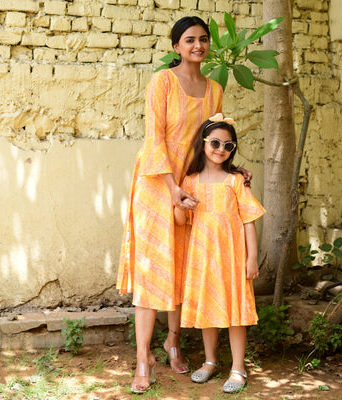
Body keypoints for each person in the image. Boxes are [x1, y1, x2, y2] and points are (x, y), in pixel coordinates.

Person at [116, 16, 225, 393]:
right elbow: (155, 138)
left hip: (190, 186)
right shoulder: (162, 81)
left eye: (203, 39)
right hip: (155, 184)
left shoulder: (215, 89)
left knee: (182, 266)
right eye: (189, 40)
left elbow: (212, 142)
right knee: (153, 271)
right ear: (176, 46)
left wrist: (230, 171)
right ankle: (142, 360)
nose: (198, 45)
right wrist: (171, 187)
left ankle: (172, 342)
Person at [174, 114, 266, 394]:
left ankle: (238, 366)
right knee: (208, 308)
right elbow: (180, 221)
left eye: (228, 145)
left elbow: (249, 220)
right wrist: (181, 205)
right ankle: (210, 360)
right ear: (202, 144)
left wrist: (251, 258)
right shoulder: (190, 181)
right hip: (202, 258)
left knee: (235, 311)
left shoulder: (236, 181)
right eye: (215, 142)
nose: (221, 149)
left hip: (233, 256)